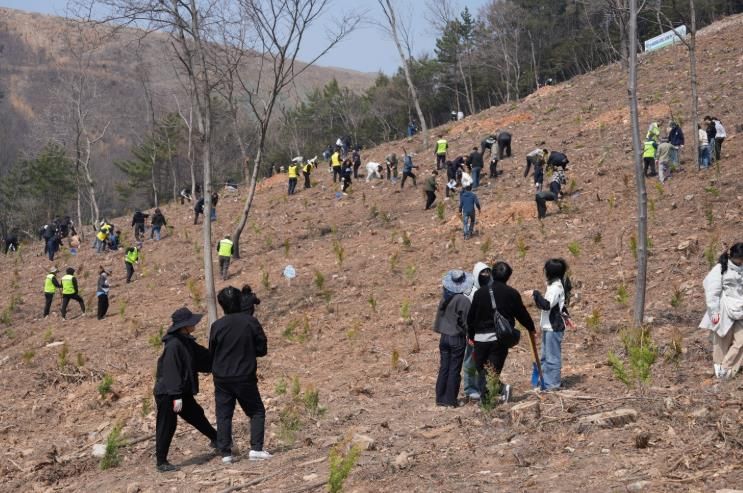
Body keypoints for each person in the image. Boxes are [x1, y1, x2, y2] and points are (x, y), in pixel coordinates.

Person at [209, 287, 270, 464]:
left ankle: (226, 453)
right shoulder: (251, 322)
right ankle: (256, 449)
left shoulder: (216, 326)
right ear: (240, 301)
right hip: (244, 375)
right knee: (256, 411)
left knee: (224, 414)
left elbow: (212, 352)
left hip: (221, 377)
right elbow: (262, 349)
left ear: (221, 305)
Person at [154, 307, 217, 472]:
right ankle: (161, 462)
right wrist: (176, 396)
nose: (194, 324)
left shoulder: (186, 341)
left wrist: (220, 358)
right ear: (184, 326)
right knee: (167, 425)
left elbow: (203, 357)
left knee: (196, 415)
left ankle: (217, 439)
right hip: (169, 393)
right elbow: (171, 371)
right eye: (191, 322)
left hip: (180, 391)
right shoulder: (174, 345)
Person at [466, 261, 536, 402]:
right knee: (492, 372)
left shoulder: (479, 293)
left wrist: (471, 335)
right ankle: (492, 398)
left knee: (483, 371)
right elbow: (521, 313)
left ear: (492, 273)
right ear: (508, 276)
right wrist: (531, 327)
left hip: (480, 339)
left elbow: (471, 317)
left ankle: (487, 403)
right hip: (499, 339)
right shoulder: (512, 293)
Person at [700, 243, 743, 380]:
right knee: (722, 339)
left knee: (741, 341)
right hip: (724, 309)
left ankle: (727, 367)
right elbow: (712, 291)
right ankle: (720, 369)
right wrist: (714, 311)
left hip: (741, 309)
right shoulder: (720, 268)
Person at [528, 259, 572, 390]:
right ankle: (544, 381)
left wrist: (535, 294)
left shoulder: (556, 288)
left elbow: (546, 305)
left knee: (552, 357)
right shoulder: (554, 285)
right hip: (549, 326)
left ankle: (552, 384)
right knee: (545, 356)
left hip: (554, 327)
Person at [433, 269, 474, 407]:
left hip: (444, 337)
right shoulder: (463, 300)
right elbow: (468, 322)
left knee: (444, 367)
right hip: (456, 338)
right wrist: (472, 335)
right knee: (454, 369)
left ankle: (440, 398)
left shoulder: (445, 297)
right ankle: (450, 400)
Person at [463, 262, 491, 400]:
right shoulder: (470, 292)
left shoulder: (489, 289)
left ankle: (483, 387)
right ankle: (470, 388)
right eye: (483, 273)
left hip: (486, 332)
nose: (486, 275)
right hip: (473, 331)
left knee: (484, 361)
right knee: (471, 360)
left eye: (488, 272)